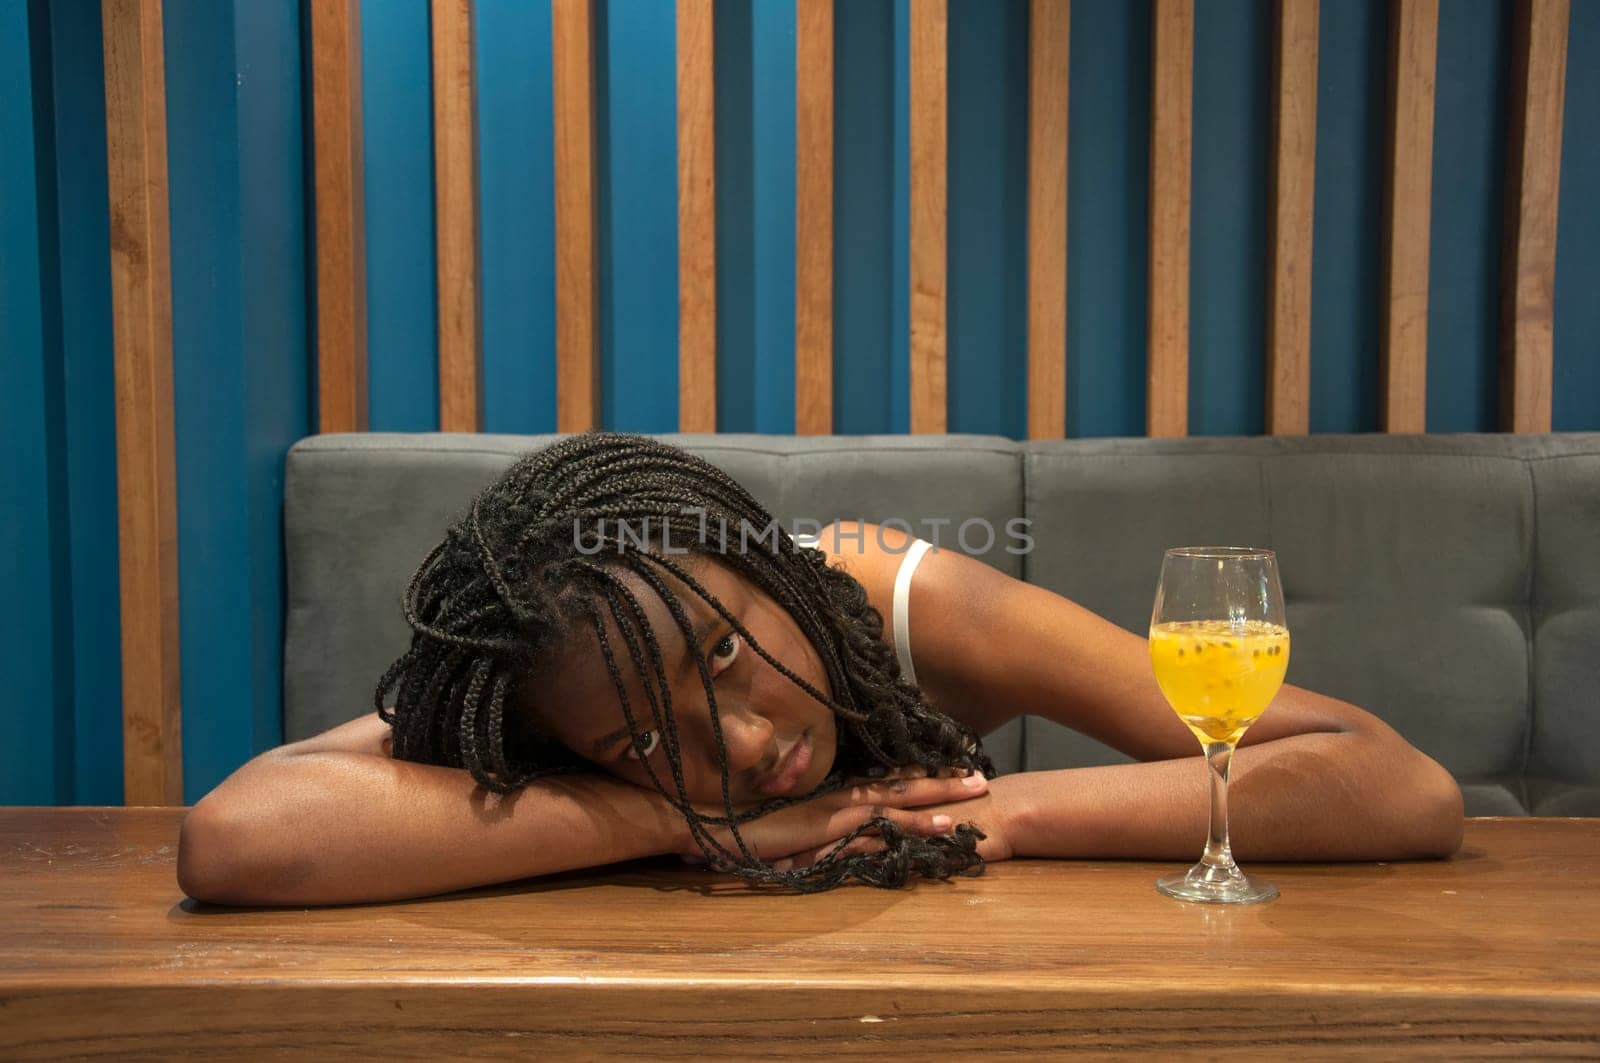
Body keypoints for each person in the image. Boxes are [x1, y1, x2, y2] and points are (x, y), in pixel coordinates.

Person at [177, 433, 1463, 907]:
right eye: (643, 736)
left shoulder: (907, 597)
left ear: (779, 570)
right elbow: (240, 838)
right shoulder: (552, 673)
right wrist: (675, 817)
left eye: (731, 648)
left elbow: (1394, 785)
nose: (740, 743)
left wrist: (985, 816)